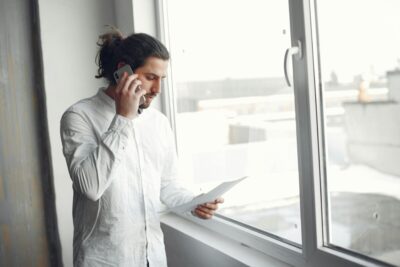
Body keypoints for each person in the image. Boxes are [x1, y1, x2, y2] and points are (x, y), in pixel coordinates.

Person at [60, 28, 224, 267]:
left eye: (162, 79)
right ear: (122, 71)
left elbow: (167, 186)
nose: (157, 89)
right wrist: (123, 119)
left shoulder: (158, 123)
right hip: (104, 261)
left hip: (153, 258)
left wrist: (194, 202)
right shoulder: (79, 116)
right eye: (150, 77)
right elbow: (91, 187)